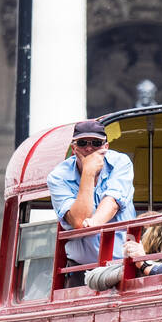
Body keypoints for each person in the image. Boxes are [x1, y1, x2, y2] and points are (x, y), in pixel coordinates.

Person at [47, 119, 136, 287]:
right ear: (74, 149)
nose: (89, 148)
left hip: (122, 264)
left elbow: (113, 201)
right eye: (82, 143)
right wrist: (88, 172)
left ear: (105, 147)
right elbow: (80, 221)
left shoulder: (120, 163)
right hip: (82, 270)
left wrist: (94, 223)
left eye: (96, 143)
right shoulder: (57, 176)